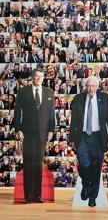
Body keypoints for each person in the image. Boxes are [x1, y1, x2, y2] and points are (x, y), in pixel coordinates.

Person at [70, 76, 108, 207]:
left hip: (98, 138)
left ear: (98, 86)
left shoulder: (105, 98)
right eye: (88, 86)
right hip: (83, 137)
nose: (90, 89)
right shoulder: (78, 98)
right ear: (86, 86)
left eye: (93, 86)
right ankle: (85, 185)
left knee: (96, 169)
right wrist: (72, 139)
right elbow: (73, 121)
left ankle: (92, 197)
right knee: (84, 165)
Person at [14, 68, 55, 203]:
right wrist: (18, 129)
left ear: (44, 78)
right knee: (28, 163)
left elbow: (51, 114)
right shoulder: (23, 92)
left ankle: (37, 196)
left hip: (42, 134)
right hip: (27, 133)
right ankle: (27, 197)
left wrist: (51, 130)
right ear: (32, 77)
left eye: (41, 77)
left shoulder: (49, 92)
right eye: (36, 76)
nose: (38, 79)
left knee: (38, 164)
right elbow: (17, 112)